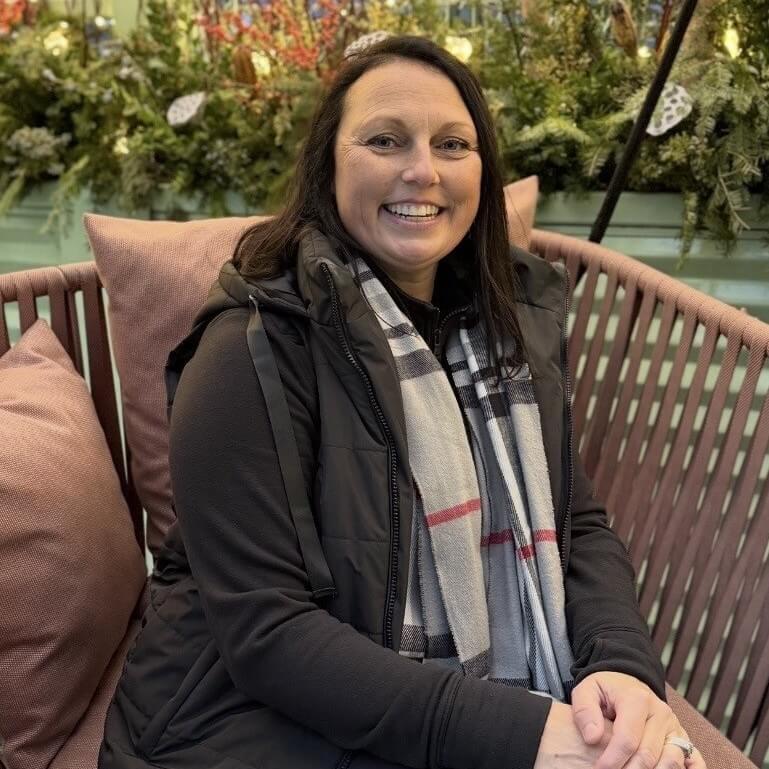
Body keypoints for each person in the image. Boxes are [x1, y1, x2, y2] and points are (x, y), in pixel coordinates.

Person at [99, 34, 705, 769]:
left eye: (452, 143)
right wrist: (520, 734)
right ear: (328, 162)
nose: (422, 170)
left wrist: (621, 668)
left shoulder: (506, 326)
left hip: (430, 696)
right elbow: (267, 632)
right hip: (238, 714)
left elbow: (573, 519)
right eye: (385, 139)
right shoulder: (250, 344)